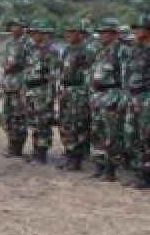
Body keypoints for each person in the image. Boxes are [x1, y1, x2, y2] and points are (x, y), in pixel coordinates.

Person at [89, 17, 124, 182]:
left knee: (111, 134)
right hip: (98, 96)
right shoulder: (100, 51)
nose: (102, 36)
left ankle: (111, 168)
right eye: (100, 33)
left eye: (105, 33)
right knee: (97, 132)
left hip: (112, 94)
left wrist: (121, 98)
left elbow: (125, 76)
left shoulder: (120, 51)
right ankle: (99, 165)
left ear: (113, 34)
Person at [57, 20, 94, 172]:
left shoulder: (87, 51)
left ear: (80, 34)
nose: (70, 35)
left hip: (79, 91)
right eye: (68, 32)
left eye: (73, 32)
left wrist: (85, 93)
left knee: (78, 124)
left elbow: (89, 74)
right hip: (66, 90)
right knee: (65, 123)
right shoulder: (67, 50)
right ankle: (69, 155)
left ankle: (77, 159)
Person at [23, 20, 58, 164]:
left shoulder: (51, 51)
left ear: (44, 34)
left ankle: (42, 152)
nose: (35, 36)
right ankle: (36, 149)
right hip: (31, 90)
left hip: (43, 90)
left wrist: (50, 96)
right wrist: (24, 90)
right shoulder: (31, 50)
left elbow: (53, 75)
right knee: (33, 121)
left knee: (43, 122)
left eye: (38, 33)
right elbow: (27, 72)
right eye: (33, 33)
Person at [122, 13, 149, 189]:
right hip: (133, 97)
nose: (136, 32)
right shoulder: (136, 50)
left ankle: (146, 176)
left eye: (139, 28)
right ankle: (139, 172)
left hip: (147, 97)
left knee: (146, 136)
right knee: (133, 135)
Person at [0, 17, 31, 157]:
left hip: (20, 83)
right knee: (8, 116)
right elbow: (5, 64)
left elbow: (29, 65)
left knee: (19, 116)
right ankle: (11, 143)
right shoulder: (9, 44)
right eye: (12, 26)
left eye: (17, 26)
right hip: (8, 83)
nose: (14, 29)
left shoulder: (27, 44)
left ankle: (18, 146)